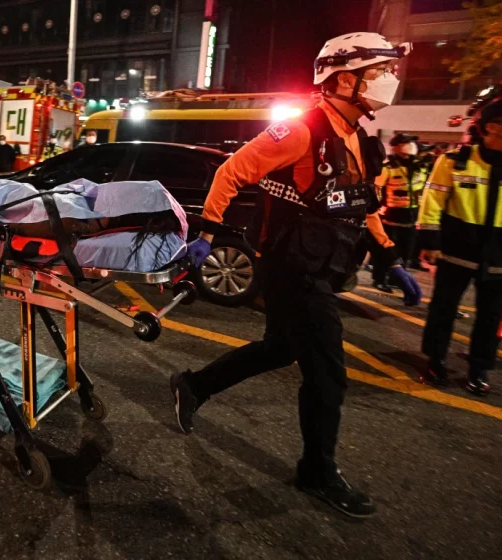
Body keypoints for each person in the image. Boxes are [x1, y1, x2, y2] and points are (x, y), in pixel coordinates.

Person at [170, 33, 420, 519]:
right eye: (380, 73)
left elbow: (361, 203)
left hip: (324, 264)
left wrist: (389, 255)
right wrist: (207, 233)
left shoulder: (358, 138)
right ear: (345, 80)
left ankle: (194, 385)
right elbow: (231, 173)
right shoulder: (302, 131)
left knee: (280, 348)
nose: (389, 82)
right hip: (293, 267)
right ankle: (317, 471)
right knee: (327, 375)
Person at [417, 99, 502, 395]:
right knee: (443, 310)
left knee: (491, 317)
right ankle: (435, 360)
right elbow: (433, 202)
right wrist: (430, 242)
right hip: (456, 251)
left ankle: (479, 369)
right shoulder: (454, 160)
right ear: (491, 127)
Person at [371, 132, 427, 290]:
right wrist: (380, 208)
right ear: (396, 147)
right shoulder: (388, 167)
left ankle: (397, 278)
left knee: (406, 250)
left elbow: (423, 189)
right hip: (391, 215)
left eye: (411, 142)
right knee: (387, 249)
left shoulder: (419, 166)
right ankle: (379, 278)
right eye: (406, 142)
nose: (411, 146)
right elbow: (377, 189)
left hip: (412, 215)